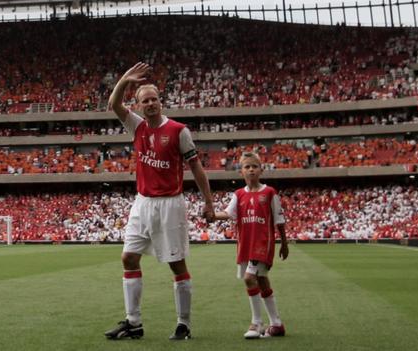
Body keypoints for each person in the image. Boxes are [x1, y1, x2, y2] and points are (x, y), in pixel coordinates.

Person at [104, 62, 215, 340]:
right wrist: (125, 79)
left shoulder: (178, 131)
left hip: (170, 204)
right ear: (139, 106)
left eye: (154, 99)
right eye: (145, 101)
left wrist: (209, 202)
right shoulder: (137, 127)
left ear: (160, 102)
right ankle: (133, 323)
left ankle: (183, 324)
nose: (150, 103)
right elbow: (113, 103)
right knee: (128, 257)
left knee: (176, 265)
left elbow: (197, 168)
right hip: (142, 204)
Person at [213, 152, 289, 339]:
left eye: (254, 166)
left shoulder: (269, 192)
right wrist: (211, 215)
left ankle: (256, 323)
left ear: (261, 170)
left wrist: (284, 244)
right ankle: (277, 324)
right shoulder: (238, 194)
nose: (251, 169)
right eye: (247, 167)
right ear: (241, 172)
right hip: (245, 244)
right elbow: (228, 213)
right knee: (262, 281)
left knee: (249, 278)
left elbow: (279, 220)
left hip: (262, 243)